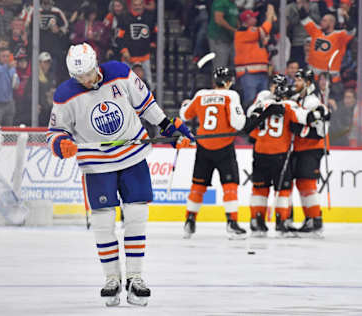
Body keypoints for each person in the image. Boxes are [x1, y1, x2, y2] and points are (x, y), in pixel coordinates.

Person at [46, 43, 194, 307]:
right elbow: (55, 132)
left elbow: (146, 103)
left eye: (89, 72)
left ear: (96, 64)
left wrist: (167, 127)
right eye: (80, 77)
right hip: (96, 164)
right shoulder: (64, 94)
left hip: (132, 155)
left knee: (137, 215)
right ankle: (111, 278)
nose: (87, 79)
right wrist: (61, 144)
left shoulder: (119, 72)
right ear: (72, 75)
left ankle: (135, 277)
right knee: (103, 221)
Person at [179, 67, 249, 239]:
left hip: (203, 147)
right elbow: (238, 123)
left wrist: (186, 104)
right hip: (224, 147)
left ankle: (190, 220)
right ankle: (232, 223)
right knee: (230, 185)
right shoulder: (231, 95)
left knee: (198, 185)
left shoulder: (201, 94)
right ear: (229, 81)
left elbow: (185, 115)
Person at [248, 76, 318, 237]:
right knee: (283, 190)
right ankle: (281, 223)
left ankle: (256, 222)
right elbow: (307, 119)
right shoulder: (290, 105)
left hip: (259, 152)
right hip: (279, 154)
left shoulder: (262, 103)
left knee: (259, 189)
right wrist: (319, 113)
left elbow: (250, 118)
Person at [289, 66, 330, 236]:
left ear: (307, 82)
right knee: (301, 184)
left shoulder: (312, 101)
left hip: (311, 149)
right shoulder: (299, 98)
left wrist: (301, 129)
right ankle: (310, 218)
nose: (295, 82)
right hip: (300, 148)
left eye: (299, 80)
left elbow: (321, 130)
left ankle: (315, 219)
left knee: (307, 184)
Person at [300, 13, 355, 93]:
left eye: (324, 21)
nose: (321, 22)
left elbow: (351, 31)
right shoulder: (316, 31)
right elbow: (304, 18)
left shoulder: (340, 35)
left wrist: (346, 18)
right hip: (313, 79)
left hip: (332, 80)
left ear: (332, 23)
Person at [234, 6, 276, 108]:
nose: (256, 19)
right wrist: (269, 16)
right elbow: (264, 30)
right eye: (253, 17)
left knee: (264, 102)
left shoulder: (251, 32)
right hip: (249, 73)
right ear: (247, 20)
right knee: (251, 101)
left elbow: (265, 36)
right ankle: (249, 123)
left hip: (261, 72)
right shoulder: (242, 32)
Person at [117, 0, 157, 89]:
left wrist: (152, 45)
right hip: (128, 58)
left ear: (143, 5)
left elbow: (154, 34)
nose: (137, 7)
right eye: (135, 5)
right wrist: (124, 50)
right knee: (125, 84)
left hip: (144, 57)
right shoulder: (124, 17)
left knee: (148, 84)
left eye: (140, 4)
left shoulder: (149, 17)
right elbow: (119, 37)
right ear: (131, 5)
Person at [0, 47, 19, 126]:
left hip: (9, 103)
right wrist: (8, 67)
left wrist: (16, 83)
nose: (6, 58)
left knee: (9, 130)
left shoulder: (12, 68)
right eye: (3, 56)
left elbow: (16, 82)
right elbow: (0, 71)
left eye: (7, 56)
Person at [207, 0, 239, 70]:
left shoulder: (233, 4)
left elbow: (235, 19)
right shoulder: (220, 2)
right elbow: (218, 19)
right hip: (218, 38)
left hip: (231, 39)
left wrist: (240, 31)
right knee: (220, 66)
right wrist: (234, 30)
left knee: (235, 64)